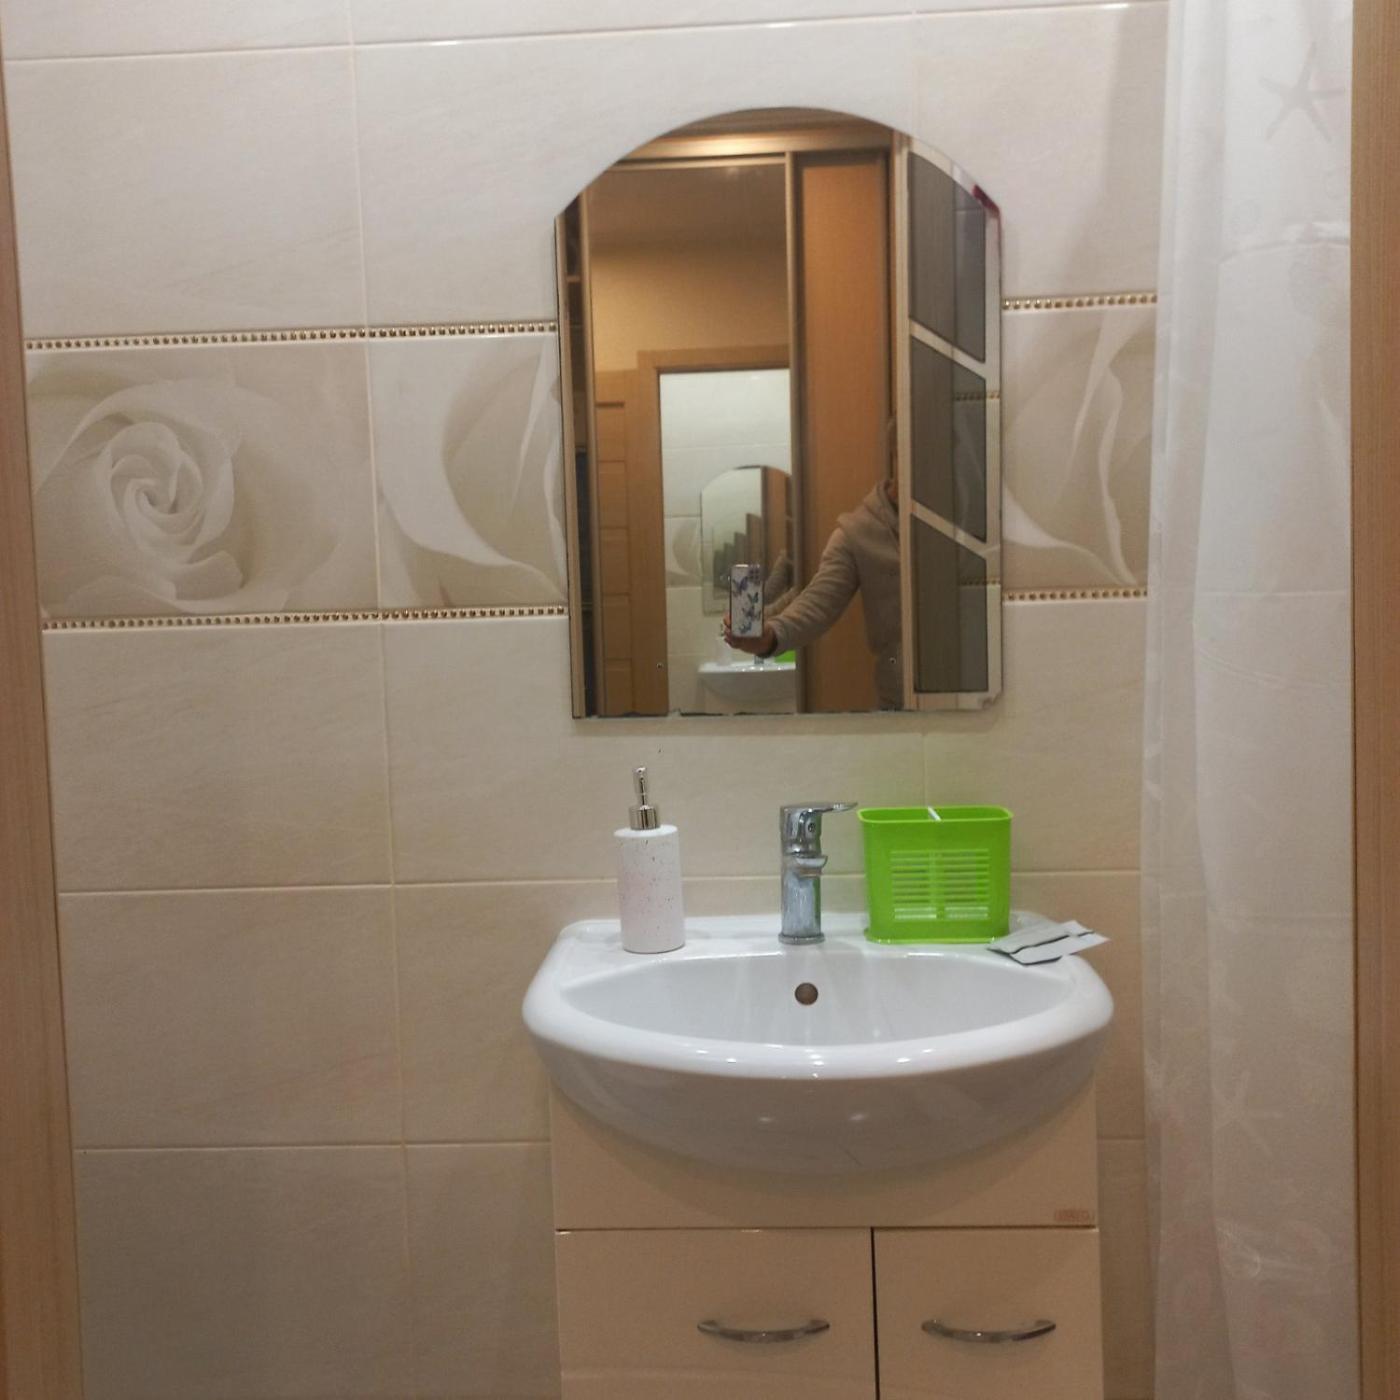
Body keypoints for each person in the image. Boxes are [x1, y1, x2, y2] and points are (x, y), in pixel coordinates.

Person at [725, 474, 902, 708]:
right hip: (898, 700)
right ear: (896, 456)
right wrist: (770, 635)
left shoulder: (946, 520)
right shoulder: (857, 532)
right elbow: (817, 601)